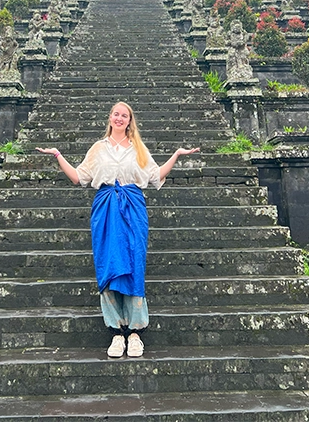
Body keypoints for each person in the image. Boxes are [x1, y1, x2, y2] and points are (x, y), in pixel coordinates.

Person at [36, 102, 199, 358]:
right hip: (105, 210)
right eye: (116, 114)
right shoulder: (98, 149)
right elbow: (80, 178)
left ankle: (135, 333)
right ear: (110, 118)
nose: (120, 118)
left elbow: (155, 177)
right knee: (109, 266)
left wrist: (176, 156)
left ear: (130, 120)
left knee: (134, 264)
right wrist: (58, 155)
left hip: (133, 209)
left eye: (125, 115)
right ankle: (115, 332)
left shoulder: (139, 149)